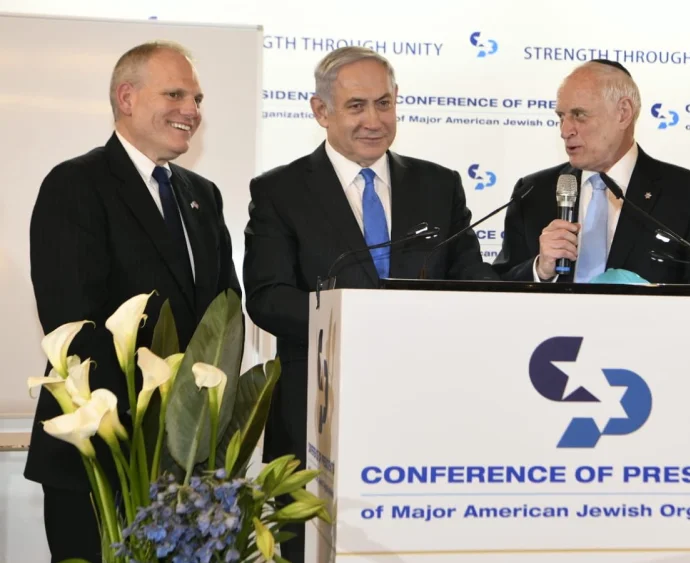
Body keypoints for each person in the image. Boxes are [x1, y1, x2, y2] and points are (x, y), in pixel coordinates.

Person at [242, 46, 495, 562]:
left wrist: (531, 271)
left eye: (384, 103)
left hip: (424, 412)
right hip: (317, 411)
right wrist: (352, 321)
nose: (374, 121)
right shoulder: (280, 191)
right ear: (321, 111)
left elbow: (471, 280)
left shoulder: (439, 185)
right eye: (357, 106)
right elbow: (268, 297)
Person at [26, 41, 241, 562]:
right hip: (105, 455)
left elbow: (225, 312)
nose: (191, 110)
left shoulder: (202, 194)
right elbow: (72, 326)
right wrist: (146, 429)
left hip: (188, 462)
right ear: (126, 96)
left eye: (197, 97)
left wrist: (198, 429)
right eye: (175, 93)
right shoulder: (76, 184)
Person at [491, 60, 690, 284]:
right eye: (561, 117)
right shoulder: (533, 192)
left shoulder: (689, 196)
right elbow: (499, 288)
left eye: (579, 115)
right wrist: (539, 270)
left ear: (623, 113)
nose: (565, 131)